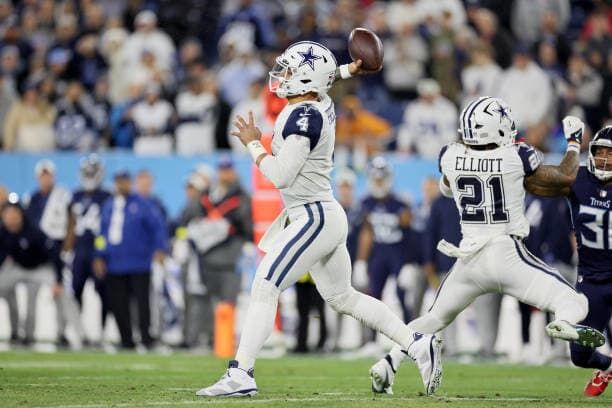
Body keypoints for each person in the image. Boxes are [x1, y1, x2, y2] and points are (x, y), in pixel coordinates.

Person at [197, 42, 441, 398]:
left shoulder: (303, 117)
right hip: (320, 214)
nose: (283, 76)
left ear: (308, 81)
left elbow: (281, 175)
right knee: (343, 297)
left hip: (313, 217)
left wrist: (254, 144)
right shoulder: (316, 102)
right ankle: (417, 343)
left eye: (291, 71)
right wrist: (347, 69)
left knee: (265, 286)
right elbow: (324, 80)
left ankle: (241, 373)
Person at [369, 97, 605, 395]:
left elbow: (445, 187)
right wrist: (573, 143)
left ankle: (387, 363)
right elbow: (565, 176)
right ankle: (564, 321)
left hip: (469, 259)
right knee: (575, 302)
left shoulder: (449, 155)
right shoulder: (516, 155)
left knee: (433, 318)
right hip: (507, 253)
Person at [93, 170, 167, 350]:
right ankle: (126, 339)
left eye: (124, 181)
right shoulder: (109, 206)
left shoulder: (143, 204)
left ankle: (146, 338)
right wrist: (99, 255)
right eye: (118, 181)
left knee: (142, 303)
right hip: (114, 264)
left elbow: (157, 228)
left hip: (139, 263)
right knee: (119, 304)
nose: (122, 185)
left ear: (130, 182)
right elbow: (102, 234)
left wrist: (159, 249)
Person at [564, 126, 612, 397]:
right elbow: (538, 180)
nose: (604, 158)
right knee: (580, 355)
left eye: (611, 153)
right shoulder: (579, 179)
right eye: (600, 152)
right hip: (591, 278)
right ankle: (607, 367)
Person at [354, 157, 412, 323]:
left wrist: (409, 262)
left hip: (398, 253)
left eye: (381, 179)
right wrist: (361, 261)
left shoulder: (400, 203)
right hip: (378, 253)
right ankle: (371, 340)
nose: (378, 183)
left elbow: (409, 234)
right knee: (374, 296)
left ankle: (411, 335)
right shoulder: (366, 203)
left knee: (403, 296)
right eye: (375, 179)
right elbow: (366, 233)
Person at [62, 155, 112, 343]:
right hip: (79, 250)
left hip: (97, 251)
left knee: (103, 290)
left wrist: (102, 253)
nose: (89, 176)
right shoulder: (74, 196)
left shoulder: (107, 197)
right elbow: (70, 224)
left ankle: (103, 329)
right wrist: (67, 247)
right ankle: (77, 330)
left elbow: (107, 228)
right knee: (75, 291)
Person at [0, 198, 61, 346]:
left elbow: (53, 254)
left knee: (33, 300)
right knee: (5, 289)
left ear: (21, 214)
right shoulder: (2, 232)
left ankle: (30, 335)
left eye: (14, 214)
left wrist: (57, 281)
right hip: (17, 268)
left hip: (39, 269)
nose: (11, 218)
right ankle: (15, 331)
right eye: (7, 215)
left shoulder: (33, 230)